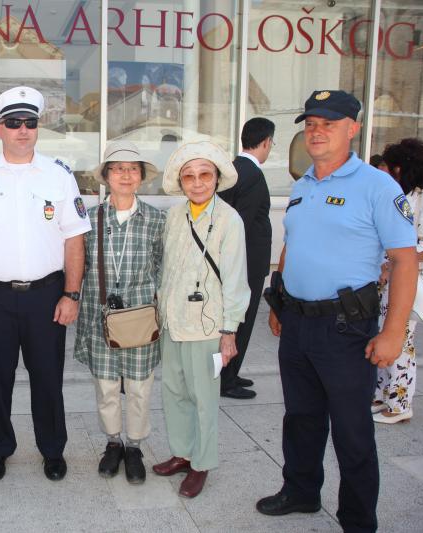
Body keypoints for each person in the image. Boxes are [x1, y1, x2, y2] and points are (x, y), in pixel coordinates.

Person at [256, 90, 417, 532]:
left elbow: (404, 259)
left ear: (352, 129)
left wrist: (392, 332)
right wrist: (279, 300)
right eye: (310, 124)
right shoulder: (304, 184)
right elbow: (292, 244)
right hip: (298, 325)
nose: (317, 132)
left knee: (352, 433)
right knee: (300, 419)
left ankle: (358, 520)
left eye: (328, 123)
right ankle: (302, 491)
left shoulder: (377, 187)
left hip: (346, 329)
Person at [0, 86, 91, 482]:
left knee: (48, 378)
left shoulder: (59, 176)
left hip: (46, 296)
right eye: (14, 123)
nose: (23, 130)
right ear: (0, 129)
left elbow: (74, 239)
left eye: (30, 123)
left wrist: (71, 293)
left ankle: (52, 449)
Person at [151, 141, 249, 498]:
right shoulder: (175, 215)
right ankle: (182, 452)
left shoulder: (229, 220)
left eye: (204, 175)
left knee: (204, 397)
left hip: (208, 327)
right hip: (173, 321)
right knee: (174, 392)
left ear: (216, 178)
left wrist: (229, 332)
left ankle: (201, 463)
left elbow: (237, 279)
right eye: (189, 176)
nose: (197, 183)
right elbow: (166, 268)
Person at [73, 140, 164, 484]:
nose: (125, 175)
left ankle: (135, 447)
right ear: (106, 176)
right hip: (101, 318)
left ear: (141, 177)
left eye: (132, 169)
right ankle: (113, 443)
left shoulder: (156, 219)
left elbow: (162, 267)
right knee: (107, 386)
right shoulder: (88, 218)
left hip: (141, 320)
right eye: (118, 168)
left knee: (140, 387)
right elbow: (76, 263)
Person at [217, 118, 275, 400]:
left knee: (235, 318)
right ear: (266, 142)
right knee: (242, 319)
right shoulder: (252, 174)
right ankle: (226, 379)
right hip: (246, 262)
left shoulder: (233, 169)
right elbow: (242, 221)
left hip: (239, 261)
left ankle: (231, 370)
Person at [372, 138, 423, 424]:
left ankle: (400, 403)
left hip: (410, 280)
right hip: (392, 277)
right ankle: (383, 394)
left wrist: (399, 262)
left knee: (402, 340)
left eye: (393, 169)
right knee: (386, 333)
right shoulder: (407, 196)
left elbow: (421, 246)